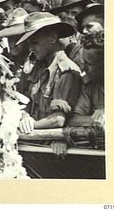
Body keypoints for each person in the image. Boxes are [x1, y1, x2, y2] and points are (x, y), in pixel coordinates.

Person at [15, 12, 82, 158]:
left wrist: (30, 126)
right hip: (30, 146)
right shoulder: (38, 68)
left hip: (50, 152)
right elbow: (26, 102)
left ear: (53, 38)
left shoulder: (67, 72)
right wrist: (25, 116)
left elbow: (58, 119)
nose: (31, 49)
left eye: (35, 42)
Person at [50, 0, 93, 69]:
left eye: (74, 13)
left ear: (82, 16)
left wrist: (71, 47)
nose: (70, 17)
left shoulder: (89, 38)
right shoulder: (53, 37)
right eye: (66, 12)